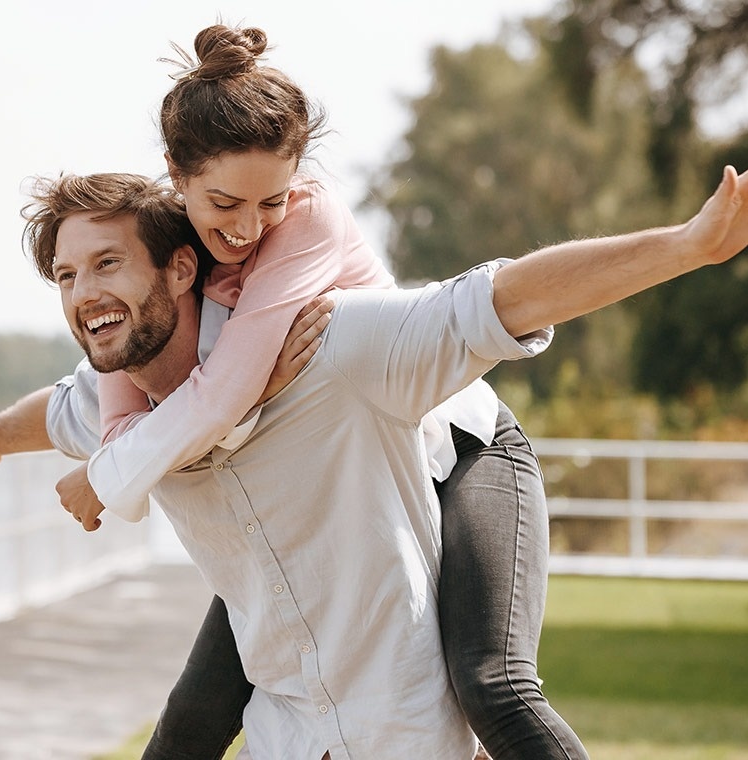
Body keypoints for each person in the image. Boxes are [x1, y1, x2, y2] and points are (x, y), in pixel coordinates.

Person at [71, 23, 589, 758]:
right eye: (225, 203)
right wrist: (25, 450)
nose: (249, 228)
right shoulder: (171, 253)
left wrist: (109, 476)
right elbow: (119, 392)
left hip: (461, 451)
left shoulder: (309, 219)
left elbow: (218, 399)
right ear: (175, 176)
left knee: (492, 686)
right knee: (191, 720)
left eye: (270, 201)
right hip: (355, 484)